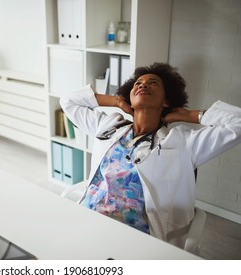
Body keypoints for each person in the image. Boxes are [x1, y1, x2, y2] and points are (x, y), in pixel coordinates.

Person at [60, 63, 241, 248]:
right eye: (137, 83)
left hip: (135, 236)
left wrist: (191, 115)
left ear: (166, 101)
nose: (143, 85)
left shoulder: (183, 143)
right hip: (89, 218)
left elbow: (238, 124)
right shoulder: (108, 126)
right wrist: (116, 101)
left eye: (153, 83)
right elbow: (68, 101)